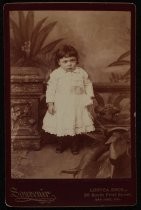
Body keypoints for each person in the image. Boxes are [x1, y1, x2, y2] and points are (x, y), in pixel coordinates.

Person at [42, 45, 95, 155]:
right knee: (61, 123)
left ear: (76, 61)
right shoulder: (56, 74)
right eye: (65, 61)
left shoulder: (81, 72)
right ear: (59, 62)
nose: (69, 64)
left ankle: (74, 144)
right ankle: (61, 143)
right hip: (62, 104)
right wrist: (50, 104)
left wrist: (90, 96)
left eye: (72, 60)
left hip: (77, 103)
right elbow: (51, 89)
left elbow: (87, 84)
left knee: (76, 122)